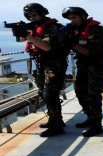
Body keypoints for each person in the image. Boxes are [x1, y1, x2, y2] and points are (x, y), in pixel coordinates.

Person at [11, 3, 70, 137]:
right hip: (42, 63)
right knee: (43, 93)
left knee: (50, 94)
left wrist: (26, 35)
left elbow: (47, 47)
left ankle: (57, 125)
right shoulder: (35, 27)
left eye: (35, 15)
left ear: (42, 14)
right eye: (30, 16)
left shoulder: (53, 27)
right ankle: (55, 120)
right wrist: (19, 31)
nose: (32, 18)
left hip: (54, 64)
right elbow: (21, 39)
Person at [61, 7, 103, 137]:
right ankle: (90, 117)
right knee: (80, 91)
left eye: (74, 18)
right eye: (70, 18)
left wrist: (72, 43)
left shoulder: (95, 31)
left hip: (97, 66)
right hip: (84, 65)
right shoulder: (78, 30)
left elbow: (90, 52)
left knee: (93, 94)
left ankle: (96, 125)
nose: (72, 21)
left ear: (82, 17)